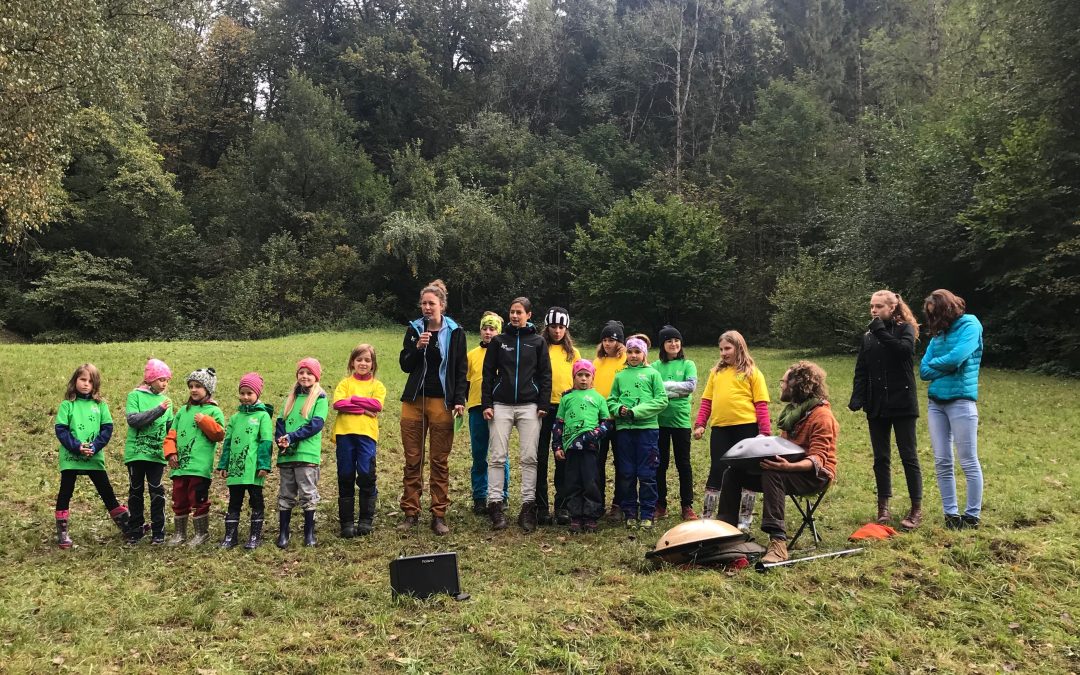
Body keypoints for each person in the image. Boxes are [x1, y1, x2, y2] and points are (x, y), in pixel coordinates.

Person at [717, 361, 839, 563]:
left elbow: (818, 459)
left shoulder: (822, 416)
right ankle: (726, 533)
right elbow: (785, 449)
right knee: (733, 473)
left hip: (815, 476)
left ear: (798, 385)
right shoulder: (794, 412)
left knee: (773, 473)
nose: (781, 385)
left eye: (784, 381)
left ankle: (778, 544)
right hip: (789, 471)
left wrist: (788, 467)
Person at [398, 280, 468, 536]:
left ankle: (438, 514)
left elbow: (461, 369)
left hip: (442, 402)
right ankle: (410, 512)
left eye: (432, 303)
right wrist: (417, 348)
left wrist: (460, 398)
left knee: (439, 461)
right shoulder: (414, 329)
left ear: (442, 305)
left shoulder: (456, 331)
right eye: (424, 303)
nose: (427, 308)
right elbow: (405, 364)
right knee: (412, 459)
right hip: (414, 402)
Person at [849, 290, 923, 530]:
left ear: (892, 308)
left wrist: (880, 330)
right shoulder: (868, 336)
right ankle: (883, 508)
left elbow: (904, 352)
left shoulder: (906, 329)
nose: (873, 311)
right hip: (877, 405)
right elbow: (862, 369)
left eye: (879, 306)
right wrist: (858, 397)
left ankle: (915, 509)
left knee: (908, 456)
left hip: (903, 402)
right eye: (872, 306)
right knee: (881, 458)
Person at [482, 297, 552, 532]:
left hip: (529, 406)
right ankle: (495, 505)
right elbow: (488, 372)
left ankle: (527, 507)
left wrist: (543, 402)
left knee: (529, 457)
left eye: (519, 312)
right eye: (512, 312)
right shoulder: (499, 341)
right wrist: (486, 403)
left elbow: (545, 374)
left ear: (529, 315)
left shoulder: (538, 342)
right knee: (497, 456)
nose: (514, 316)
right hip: (500, 404)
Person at [920, 289, 984, 529]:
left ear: (947, 309)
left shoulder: (970, 325)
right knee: (942, 460)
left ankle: (972, 515)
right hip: (936, 402)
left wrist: (943, 365)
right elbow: (924, 370)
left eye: (935, 313)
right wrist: (944, 366)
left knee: (967, 460)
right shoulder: (940, 333)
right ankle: (951, 515)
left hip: (961, 401)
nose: (934, 319)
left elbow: (956, 358)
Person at [693, 331, 771, 529]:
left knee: (746, 471)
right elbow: (706, 400)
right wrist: (700, 423)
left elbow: (761, 404)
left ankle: (744, 518)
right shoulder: (716, 373)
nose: (723, 353)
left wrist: (765, 433)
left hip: (746, 428)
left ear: (739, 348)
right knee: (718, 468)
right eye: (721, 349)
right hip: (720, 429)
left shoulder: (753, 372)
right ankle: (708, 516)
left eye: (727, 348)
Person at [53, 364, 130, 548]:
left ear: (96, 385)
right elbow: (61, 430)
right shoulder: (67, 405)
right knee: (65, 492)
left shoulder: (100, 405)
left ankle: (126, 526)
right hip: (71, 459)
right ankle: (62, 532)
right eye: (82, 380)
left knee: (106, 491)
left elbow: (107, 429)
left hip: (94, 458)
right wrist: (77, 447)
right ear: (75, 381)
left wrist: (94, 447)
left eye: (90, 381)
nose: (86, 384)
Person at [606, 337, 668, 530]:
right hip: (624, 431)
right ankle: (630, 511)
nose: (633, 356)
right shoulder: (620, 376)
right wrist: (619, 410)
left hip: (647, 431)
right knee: (627, 472)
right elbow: (611, 400)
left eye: (637, 352)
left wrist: (637, 412)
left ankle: (648, 512)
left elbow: (661, 400)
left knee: (647, 473)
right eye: (630, 352)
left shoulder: (652, 374)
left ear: (644, 354)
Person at [163, 368, 225, 547]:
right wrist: (171, 453)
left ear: (208, 389)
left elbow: (219, 435)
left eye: (198, 386)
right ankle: (179, 533)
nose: (193, 389)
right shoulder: (182, 411)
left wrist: (205, 421)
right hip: (180, 466)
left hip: (199, 467)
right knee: (179, 499)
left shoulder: (214, 411)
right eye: (191, 386)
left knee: (198, 499)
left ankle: (201, 533)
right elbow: (171, 435)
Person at [331, 343, 387, 537]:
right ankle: (346, 522)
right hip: (345, 434)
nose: (363, 363)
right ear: (352, 362)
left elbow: (377, 405)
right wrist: (363, 409)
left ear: (373, 364)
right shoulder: (345, 383)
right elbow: (338, 403)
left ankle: (365, 519)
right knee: (345, 474)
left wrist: (351, 400)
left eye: (367, 360)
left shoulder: (377, 386)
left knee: (366, 474)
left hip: (367, 436)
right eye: (359, 359)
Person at [551, 360, 612, 533]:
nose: (583, 379)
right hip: (570, 448)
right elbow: (558, 423)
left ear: (593, 377)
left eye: (587, 375)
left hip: (590, 448)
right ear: (574, 377)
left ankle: (591, 516)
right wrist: (557, 446)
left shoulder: (599, 398)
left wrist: (595, 434)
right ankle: (575, 516)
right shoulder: (567, 398)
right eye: (580, 375)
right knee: (572, 482)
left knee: (591, 481)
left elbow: (607, 422)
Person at [216, 372, 274, 549]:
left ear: (257, 394)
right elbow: (227, 442)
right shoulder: (235, 417)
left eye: (250, 393)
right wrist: (224, 464)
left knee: (256, 499)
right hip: (236, 469)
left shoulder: (263, 416)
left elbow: (266, 441)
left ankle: (255, 536)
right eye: (243, 393)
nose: (246, 397)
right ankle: (230, 536)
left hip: (254, 469)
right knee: (234, 500)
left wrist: (264, 464)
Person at [275, 357, 328, 548]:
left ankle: (309, 533)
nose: (304, 376)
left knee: (307, 493)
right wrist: (281, 440)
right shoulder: (290, 399)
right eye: (301, 372)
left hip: (307, 456)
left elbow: (316, 425)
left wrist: (292, 437)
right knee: (286, 493)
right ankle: (283, 533)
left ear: (316, 376)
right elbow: (280, 422)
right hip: (287, 456)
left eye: (309, 373)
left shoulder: (320, 398)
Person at [536, 306, 581, 525]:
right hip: (543, 409)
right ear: (547, 327)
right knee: (540, 457)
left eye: (561, 327)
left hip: (566, 410)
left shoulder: (573, 353)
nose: (557, 331)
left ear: (566, 328)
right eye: (553, 327)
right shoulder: (539, 347)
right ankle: (541, 506)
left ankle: (563, 506)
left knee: (563, 459)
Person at [124, 358, 174, 544]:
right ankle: (136, 529)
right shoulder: (135, 396)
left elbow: (171, 430)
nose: (164, 384)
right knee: (135, 490)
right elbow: (134, 420)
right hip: (136, 454)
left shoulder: (167, 402)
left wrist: (173, 452)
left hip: (157, 456)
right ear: (150, 379)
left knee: (157, 491)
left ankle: (158, 531)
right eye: (161, 379)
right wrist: (158, 411)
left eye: (167, 380)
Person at [651, 325, 698, 521]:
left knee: (683, 464)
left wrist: (665, 388)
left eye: (676, 340)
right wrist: (675, 391)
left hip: (681, 421)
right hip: (659, 421)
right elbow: (653, 390)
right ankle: (660, 504)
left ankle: (687, 505)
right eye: (669, 341)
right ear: (663, 344)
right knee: (659, 465)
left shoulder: (688, 364)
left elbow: (690, 386)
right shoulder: (654, 367)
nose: (674, 344)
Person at [465, 312, 509, 515]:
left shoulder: (505, 353)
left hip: (499, 407)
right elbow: (465, 382)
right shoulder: (472, 355)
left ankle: (502, 495)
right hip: (476, 407)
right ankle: (480, 496)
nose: (488, 332)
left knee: (500, 454)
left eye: (492, 328)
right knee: (479, 454)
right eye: (485, 328)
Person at [592, 320, 627, 519]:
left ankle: (619, 504)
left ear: (619, 342)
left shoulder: (625, 361)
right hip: (601, 419)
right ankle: (597, 502)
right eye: (604, 340)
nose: (607, 344)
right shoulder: (598, 361)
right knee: (598, 461)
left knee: (621, 463)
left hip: (620, 419)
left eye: (612, 340)